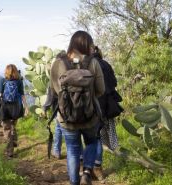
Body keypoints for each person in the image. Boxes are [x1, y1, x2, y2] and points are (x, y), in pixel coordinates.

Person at [48, 30, 105, 185]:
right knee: (92, 142)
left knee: (73, 149)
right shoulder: (93, 62)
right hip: (90, 116)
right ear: (87, 45)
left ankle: (74, 182)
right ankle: (87, 171)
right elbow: (101, 89)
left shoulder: (58, 63)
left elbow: (53, 90)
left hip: (67, 118)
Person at [92, 46, 122, 181]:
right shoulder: (106, 64)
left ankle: (96, 165)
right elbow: (114, 82)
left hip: (95, 105)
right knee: (110, 130)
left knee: (95, 135)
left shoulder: (89, 65)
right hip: (109, 103)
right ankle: (116, 154)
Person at [0, 64, 28, 158]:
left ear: (6, 71)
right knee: (13, 125)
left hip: (6, 107)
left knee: (6, 129)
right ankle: (14, 140)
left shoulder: (3, 80)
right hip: (16, 107)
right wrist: (26, 107)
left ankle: (9, 152)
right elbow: (22, 95)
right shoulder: (19, 81)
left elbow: (0, 94)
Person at [42, 85, 63, 159]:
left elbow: (50, 98)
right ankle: (80, 154)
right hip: (75, 110)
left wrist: (44, 109)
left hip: (60, 110)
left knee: (59, 128)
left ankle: (56, 151)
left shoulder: (54, 78)